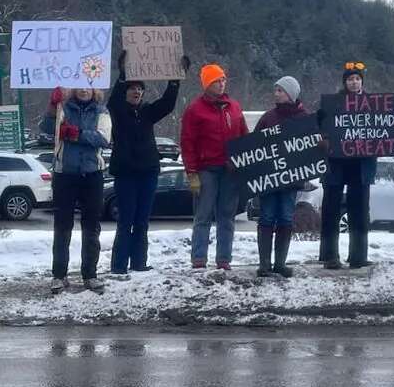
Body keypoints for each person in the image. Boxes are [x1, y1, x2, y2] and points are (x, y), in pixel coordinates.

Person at [106, 51, 184, 274]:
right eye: (132, 88)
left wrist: (175, 80)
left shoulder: (148, 112)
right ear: (126, 92)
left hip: (148, 173)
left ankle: (139, 263)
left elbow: (167, 105)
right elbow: (113, 99)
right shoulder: (118, 111)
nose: (137, 92)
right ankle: (119, 266)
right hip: (126, 174)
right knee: (126, 222)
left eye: (140, 89)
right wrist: (122, 75)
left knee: (142, 222)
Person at [181, 64, 248, 269]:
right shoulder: (195, 109)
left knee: (227, 216)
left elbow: (244, 137)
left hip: (230, 170)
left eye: (223, 80)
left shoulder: (234, 107)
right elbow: (187, 141)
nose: (221, 84)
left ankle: (224, 259)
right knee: (203, 215)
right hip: (206, 169)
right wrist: (192, 172)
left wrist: (241, 161)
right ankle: (199, 258)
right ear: (207, 84)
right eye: (216, 81)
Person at [49, 88, 112, 292]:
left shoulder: (102, 112)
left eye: (88, 86)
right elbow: (48, 128)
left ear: (95, 90)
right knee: (62, 226)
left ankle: (90, 274)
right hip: (64, 173)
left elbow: (104, 138)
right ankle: (59, 275)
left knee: (91, 227)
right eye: (80, 85)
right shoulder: (63, 108)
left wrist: (78, 134)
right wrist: (52, 108)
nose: (84, 90)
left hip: (92, 173)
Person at [317, 62, 376, 270]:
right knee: (331, 209)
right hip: (335, 164)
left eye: (357, 78)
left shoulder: (375, 104)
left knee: (360, 210)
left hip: (361, 165)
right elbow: (320, 127)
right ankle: (330, 256)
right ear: (345, 82)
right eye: (350, 79)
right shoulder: (332, 104)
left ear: (362, 81)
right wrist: (323, 139)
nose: (354, 81)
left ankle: (358, 255)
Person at [254, 76, 309, 277]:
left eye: (280, 90)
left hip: (292, 180)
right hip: (268, 180)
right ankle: (264, 265)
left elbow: (311, 149)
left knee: (286, 218)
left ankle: (280, 263)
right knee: (267, 217)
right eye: (275, 90)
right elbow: (253, 148)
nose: (276, 93)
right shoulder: (267, 118)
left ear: (291, 94)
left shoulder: (304, 118)